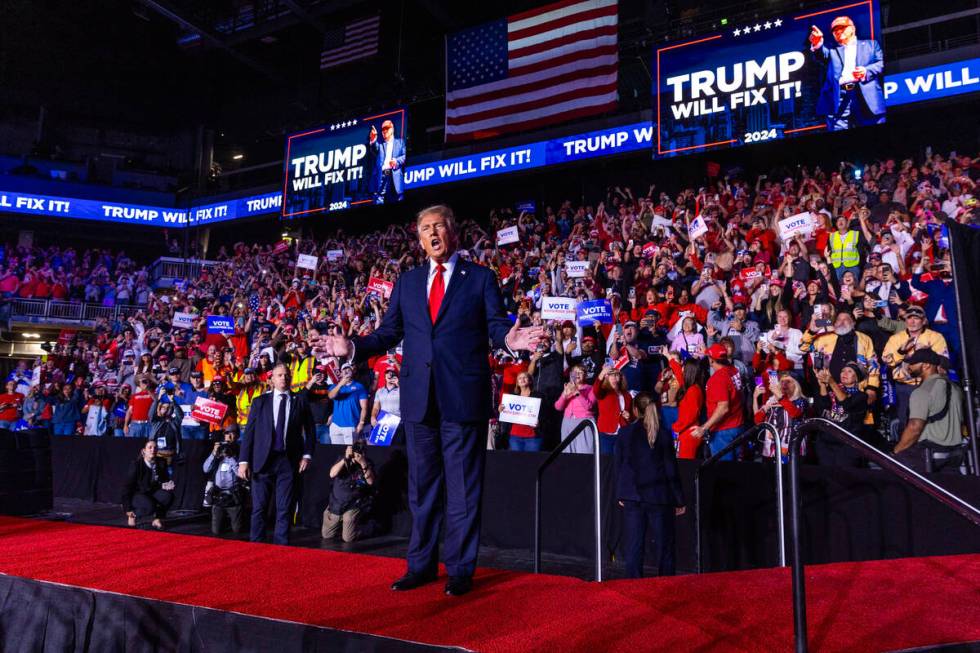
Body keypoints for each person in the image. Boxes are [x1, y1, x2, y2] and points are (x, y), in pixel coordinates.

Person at [318, 204, 544, 597]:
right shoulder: (407, 282)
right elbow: (387, 333)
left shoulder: (480, 278)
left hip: (462, 399)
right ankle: (420, 566)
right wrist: (351, 346)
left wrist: (510, 339)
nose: (433, 233)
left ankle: (459, 569)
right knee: (422, 489)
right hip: (419, 401)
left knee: (463, 489)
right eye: (426, 228)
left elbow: (496, 325)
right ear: (419, 239)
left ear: (453, 232)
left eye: (440, 225)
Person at [237, 363, 316, 545]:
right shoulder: (260, 402)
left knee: (284, 507)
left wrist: (307, 455)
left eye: (286, 375)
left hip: (288, 461)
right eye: (279, 375)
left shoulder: (300, 401)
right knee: (259, 507)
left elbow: (311, 431)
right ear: (271, 379)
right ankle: (256, 545)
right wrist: (243, 461)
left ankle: (282, 548)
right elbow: (249, 433)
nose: (284, 378)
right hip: (262, 461)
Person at [614, 393, 685, 578]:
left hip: (633, 495)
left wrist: (621, 493)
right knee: (664, 547)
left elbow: (619, 465)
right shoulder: (662, 434)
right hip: (658, 496)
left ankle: (634, 588)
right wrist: (679, 499)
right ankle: (666, 586)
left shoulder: (625, 433)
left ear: (635, 410)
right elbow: (671, 469)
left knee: (634, 547)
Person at [892, 349, 965, 473]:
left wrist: (896, 452)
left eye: (914, 363)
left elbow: (914, 428)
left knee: (893, 470)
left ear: (926, 365)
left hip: (929, 457)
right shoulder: (956, 389)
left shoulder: (922, 391)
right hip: (954, 456)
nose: (909, 366)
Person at [809, 15, 885, 131]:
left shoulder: (871, 45)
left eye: (842, 27)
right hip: (839, 97)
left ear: (853, 29)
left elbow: (881, 63)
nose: (838, 31)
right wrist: (817, 44)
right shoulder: (832, 51)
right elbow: (821, 54)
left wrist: (866, 71)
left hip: (865, 96)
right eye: (835, 30)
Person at [690, 343, 745, 461]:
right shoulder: (734, 370)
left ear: (711, 361)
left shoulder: (717, 379)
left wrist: (704, 428)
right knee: (738, 469)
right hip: (738, 425)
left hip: (723, 431)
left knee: (724, 471)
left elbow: (723, 407)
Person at [813, 363, 869, 467]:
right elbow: (822, 407)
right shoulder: (832, 391)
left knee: (844, 478)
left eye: (849, 371)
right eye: (843, 371)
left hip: (846, 445)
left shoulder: (861, 396)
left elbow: (846, 403)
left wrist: (832, 382)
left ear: (857, 378)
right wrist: (822, 384)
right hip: (826, 443)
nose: (845, 373)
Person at [322, 442, 376, 543]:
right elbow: (332, 474)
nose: (357, 455)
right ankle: (342, 525)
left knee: (348, 538)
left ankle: (368, 528)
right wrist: (345, 459)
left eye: (361, 452)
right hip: (337, 503)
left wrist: (363, 463)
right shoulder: (342, 459)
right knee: (327, 535)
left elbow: (370, 481)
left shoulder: (367, 463)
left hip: (353, 505)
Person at [121, 438, 175, 530]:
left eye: (155, 447)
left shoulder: (161, 462)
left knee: (168, 496)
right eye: (150, 447)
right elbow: (127, 487)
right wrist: (127, 508)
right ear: (144, 451)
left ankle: (157, 519)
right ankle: (133, 515)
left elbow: (164, 479)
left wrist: (168, 484)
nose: (153, 450)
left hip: (153, 491)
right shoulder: (136, 465)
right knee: (150, 507)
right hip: (138, 493)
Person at [202, 427, 246, 535]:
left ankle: (238, 519)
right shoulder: (218, 450)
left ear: (237, 436)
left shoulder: (241, 450)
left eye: (232, 434)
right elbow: (205, 469)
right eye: (227, 434)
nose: (229, 436)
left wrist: (231, 457)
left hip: (233, 495)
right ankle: (223, 520)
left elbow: (240, 474)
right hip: (218, 495)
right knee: (216, 532)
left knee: (237, 530)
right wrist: (214, 453)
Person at [555, 364, 598, 454]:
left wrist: (576, 392)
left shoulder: (591, 389)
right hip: (567, 423)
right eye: (575, 372)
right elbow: (558, 407)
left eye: (580, 372)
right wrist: (564, 395)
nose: (577, 374)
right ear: (571, 374)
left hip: (584, 423)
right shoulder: (568, 387)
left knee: (585, 452)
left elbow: (588, 407)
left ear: (585, 375)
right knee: (568, 452)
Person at [673, 358, 709, 460]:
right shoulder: (692, 387)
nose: (682, 369)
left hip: (689, 435)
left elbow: (690, 417)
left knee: (686, 467)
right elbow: (680, 376)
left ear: (689, 371)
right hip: (687, 433)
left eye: (683, 367)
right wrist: (670, 358)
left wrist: (675, 427)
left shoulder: (693, 391)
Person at [594, 365, 632, 455]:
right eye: (611, 375)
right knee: (607, 462)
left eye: (616, 375)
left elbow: (632, 415)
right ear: (606, 377)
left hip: (622, 433)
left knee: (621, 460)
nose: (614, 378)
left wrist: (629, 416)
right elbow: (596, 390)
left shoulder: (627, 395)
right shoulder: (603, 392)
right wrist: (601, 374)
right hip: (606, 434)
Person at [327, 363, 368, 444]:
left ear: (352, 372)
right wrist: (341, 384)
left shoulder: (359, 387)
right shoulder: (334, 386)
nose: (346, 371)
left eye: (348, 369)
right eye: (344, 369)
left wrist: (361, 422)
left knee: (350, 453)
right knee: (337, 452)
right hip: (335, 425)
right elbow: (331, 396)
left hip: (351, 425)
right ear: (341, 373)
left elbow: (364, 407)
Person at [367, 120, 406, 203]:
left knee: (397, 198)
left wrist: (396, 161)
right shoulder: (380, 146)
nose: (384, 131)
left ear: (392, 129)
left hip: (394, 175)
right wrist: (373, 140)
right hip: (382, 175)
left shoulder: (400, 143)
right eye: (382, 129)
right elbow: (374, 148)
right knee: (379, 198)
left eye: (386, 128)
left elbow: (404, 156)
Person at [503, 371, 542, 452]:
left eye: (525, 377)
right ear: (517, 383)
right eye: (519, 378)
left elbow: (545, 415)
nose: (522, 379)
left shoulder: (538, 396)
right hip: (515, 436)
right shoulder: (512, 397)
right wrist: (501, 409)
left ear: (530, 380)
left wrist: (539, 422)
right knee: (517, 462)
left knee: (532, 462)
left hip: (533, 437)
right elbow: (506, 414)